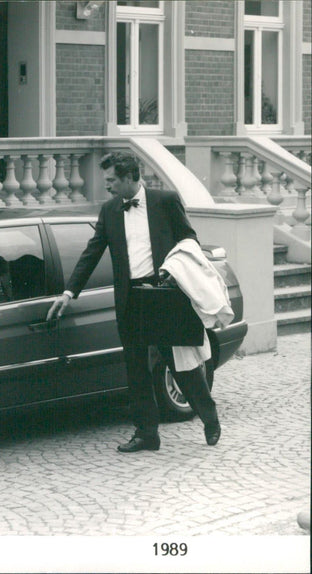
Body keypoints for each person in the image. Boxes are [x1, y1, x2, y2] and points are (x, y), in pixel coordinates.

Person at [47, 153, 221, 453]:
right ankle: (146, 434)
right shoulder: (109, 210)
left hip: (164, 294)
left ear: (129, 177)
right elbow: (92, 252)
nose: (108, 187)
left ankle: (209, 416)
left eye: (112, 180)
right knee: (136, 369)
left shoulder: (165, 201)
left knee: (179, 364)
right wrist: (69, 292)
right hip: (131, 299)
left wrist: (173, 272)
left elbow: (189, 239)